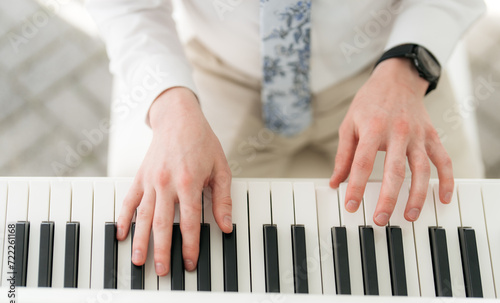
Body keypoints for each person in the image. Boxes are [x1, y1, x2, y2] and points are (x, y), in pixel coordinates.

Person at [87, 0, 486, 276]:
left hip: (386, 71)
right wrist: (170, 104)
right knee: (168, 251)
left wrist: (410, 64)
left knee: (463, 238)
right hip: (220, 77)